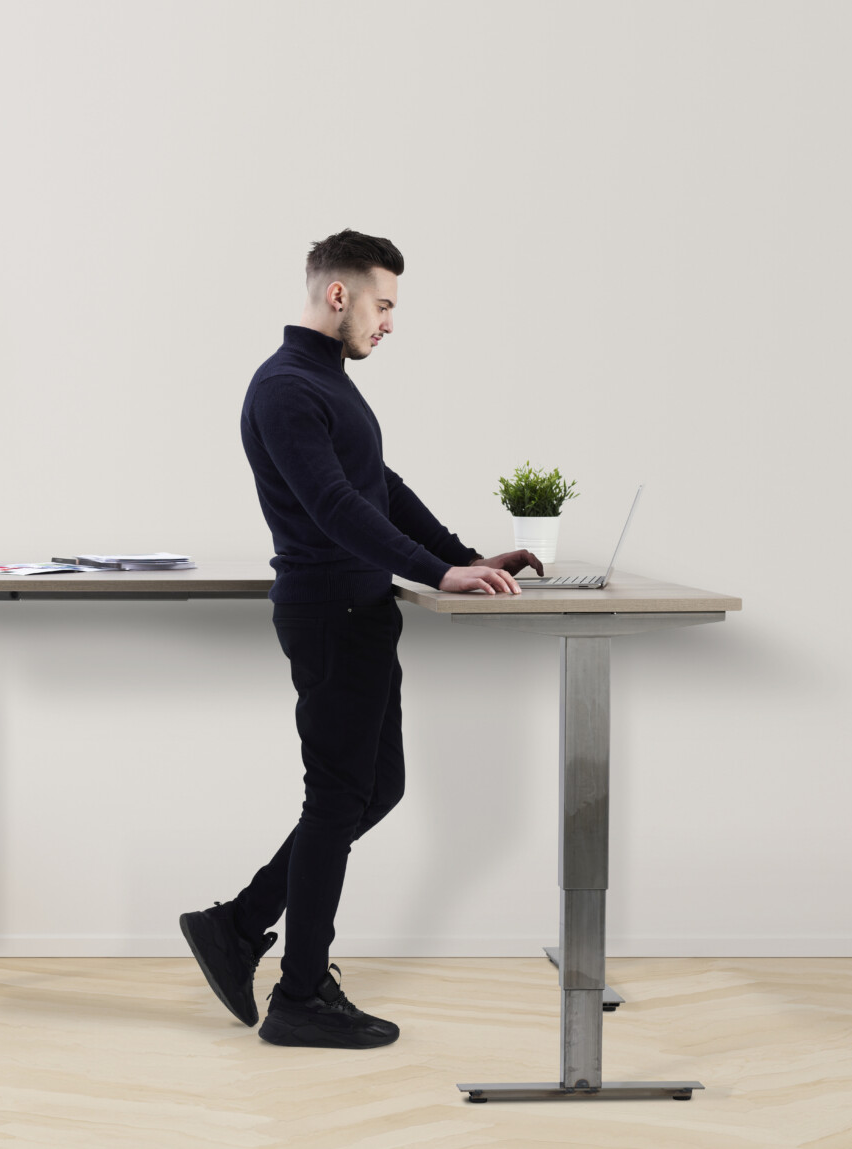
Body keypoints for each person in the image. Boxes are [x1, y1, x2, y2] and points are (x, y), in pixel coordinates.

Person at [179, 229, 543, 1049]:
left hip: (362, 611)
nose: (389, 323)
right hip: (332, 613)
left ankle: (238, 925)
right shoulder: (283, 389)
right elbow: (336, 508)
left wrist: (461, 558)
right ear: (338, 296)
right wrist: (435, 575)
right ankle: (300, 992)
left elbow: (381, 488)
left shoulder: (327, 385)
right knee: (339, 795)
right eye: (383, 304)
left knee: (374, 789)